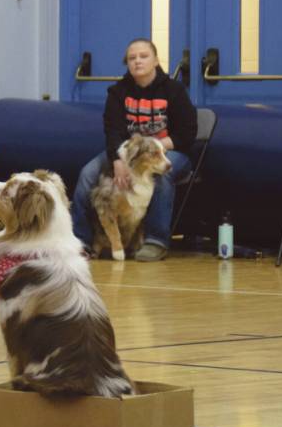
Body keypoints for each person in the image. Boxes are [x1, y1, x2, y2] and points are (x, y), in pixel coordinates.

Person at [71, 39, 197, 261]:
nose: (137, 61)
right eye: (132, 58)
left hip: (168, 152)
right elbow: (112, 132)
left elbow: (187, 134)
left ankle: (156, 240)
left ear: (156, 60)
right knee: (88, 174)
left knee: (161, 175)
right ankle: (82, 242)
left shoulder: (174, 91)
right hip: (127, 154)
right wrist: (118, 161)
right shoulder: (118, 92)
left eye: (143, 56)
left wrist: (155, 148)